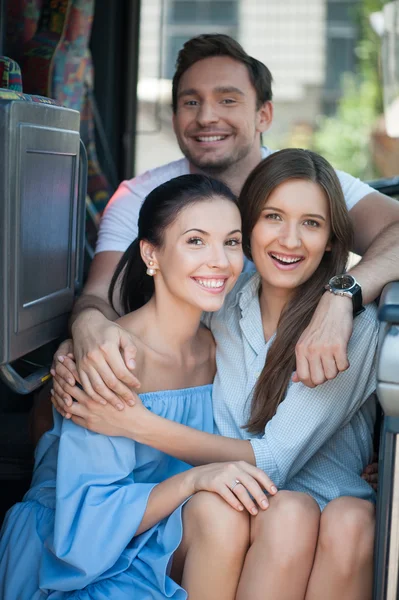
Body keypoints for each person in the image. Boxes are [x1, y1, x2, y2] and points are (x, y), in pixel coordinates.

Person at [53, 149, 378, 600]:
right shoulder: (225, 303)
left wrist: (136, 424)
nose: (290, 239)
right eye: (273, 217)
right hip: (252, 507)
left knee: (341, 520)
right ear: (251, 232)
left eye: (312, 223)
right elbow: (164, 312)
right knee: (280, 514)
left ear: (330, 238)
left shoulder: (348, 327)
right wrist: (83, 331)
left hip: (301, 501)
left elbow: (274, 462)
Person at [52, 33, 399, 408]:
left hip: (286, 391)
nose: (206, 117)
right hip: (174, 388)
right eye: (191, 102)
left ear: (263, 114)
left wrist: (342, 295)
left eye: (227, 100)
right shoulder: (137, 196)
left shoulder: (306, 182)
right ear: (174, 117)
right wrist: (88, 327)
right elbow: (99, 296)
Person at [0, 175, 279, 600]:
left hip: (169, 531)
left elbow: (269, 449)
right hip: (77, 547)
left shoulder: (225, 346)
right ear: (151, 253)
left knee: (246, 515)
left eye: (232, 242)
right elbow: (86, 526)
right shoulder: (112, 358)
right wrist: (193, 481)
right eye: (196, 241)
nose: (220, 261)